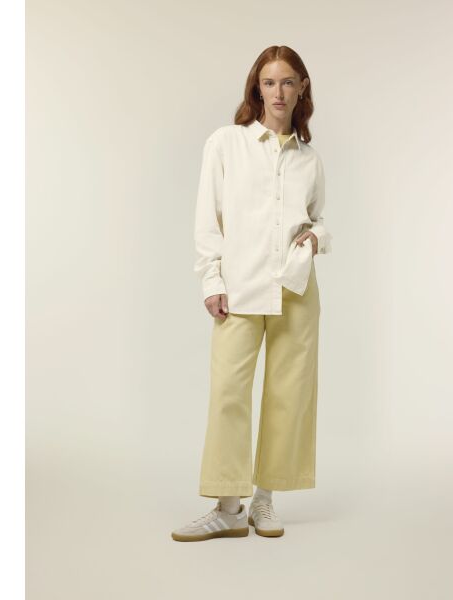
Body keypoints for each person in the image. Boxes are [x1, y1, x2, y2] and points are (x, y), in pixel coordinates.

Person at [171, 45, 332, 542]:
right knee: (229, 394)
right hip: (239, 288)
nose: (278, 92)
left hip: (295, 291)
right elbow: (208, 218)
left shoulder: (309, 159)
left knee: (288, 396)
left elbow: (318, 219)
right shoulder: (226, 143)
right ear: (256, 89)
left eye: (288, 82)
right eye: (269, 82)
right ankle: (227, 508)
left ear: (302, 88)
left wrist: (317, 238)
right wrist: (211, 280)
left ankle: (264, 501)